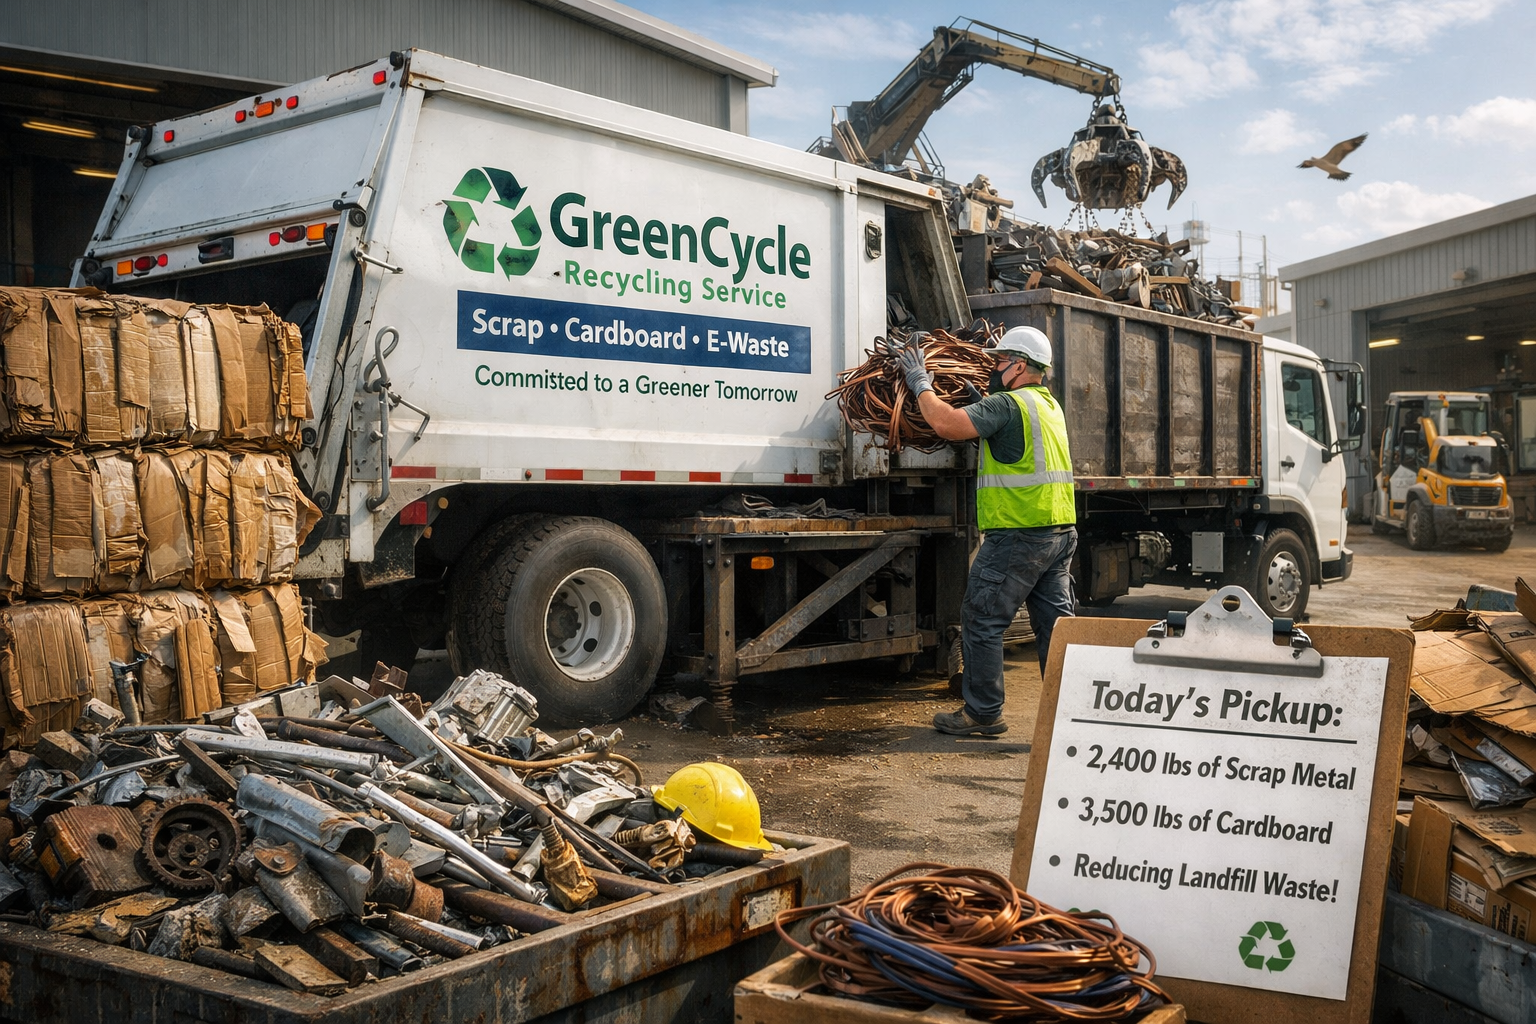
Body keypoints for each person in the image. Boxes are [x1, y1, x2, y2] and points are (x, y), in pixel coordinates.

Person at [898, 326, 1077, 736]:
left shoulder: (1007, 404)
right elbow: (1017, 450)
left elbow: (945, 424)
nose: (994, 368)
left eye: (1000, 361)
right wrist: (986, 411)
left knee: (981, 617)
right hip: (1059, 532)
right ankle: (1070, 715)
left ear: (1020, 365)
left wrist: (919, 380)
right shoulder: (1048, 406)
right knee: (1056, 627)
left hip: (1019, 534)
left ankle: (982, 713)